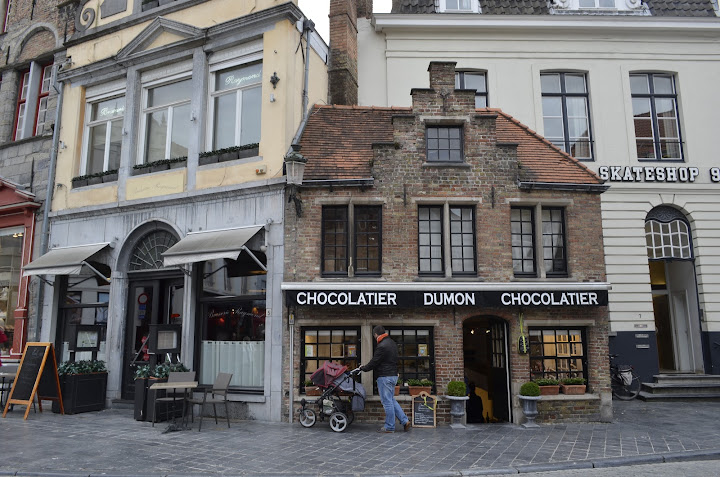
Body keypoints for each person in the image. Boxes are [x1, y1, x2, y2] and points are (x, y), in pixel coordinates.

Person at [357, 325, 411, 433]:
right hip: (393, 375)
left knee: (387, 402)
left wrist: (363, 368)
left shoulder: (382, 346)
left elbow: (375, 361)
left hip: (385, 377)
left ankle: (389, 427)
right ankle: (405, 421)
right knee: (391, 399)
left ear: (376, 334)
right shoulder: (392, 343)